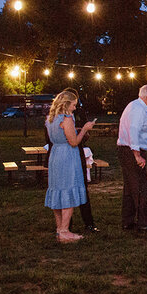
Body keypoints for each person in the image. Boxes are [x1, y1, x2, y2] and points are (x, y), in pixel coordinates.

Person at [43, 87, 98, 233]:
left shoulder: (50, 119)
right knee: (68, 190)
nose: (75, 107)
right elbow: (73, 141)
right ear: (66, 104)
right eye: (73, 104)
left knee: (57, 191)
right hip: (67, 156)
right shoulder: (66, 119)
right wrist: (85, 129)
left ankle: (60, 228)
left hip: (55, 155)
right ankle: (65, 230)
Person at [117, 84, 147, 232]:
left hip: (127, 149)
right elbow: (133, 131)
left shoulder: (133, 106)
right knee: (141, 187)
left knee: (130, 187)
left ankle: (127, 220)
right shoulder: (138, 110)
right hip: (131, 151)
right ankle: (144, 222)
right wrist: (137, 155)